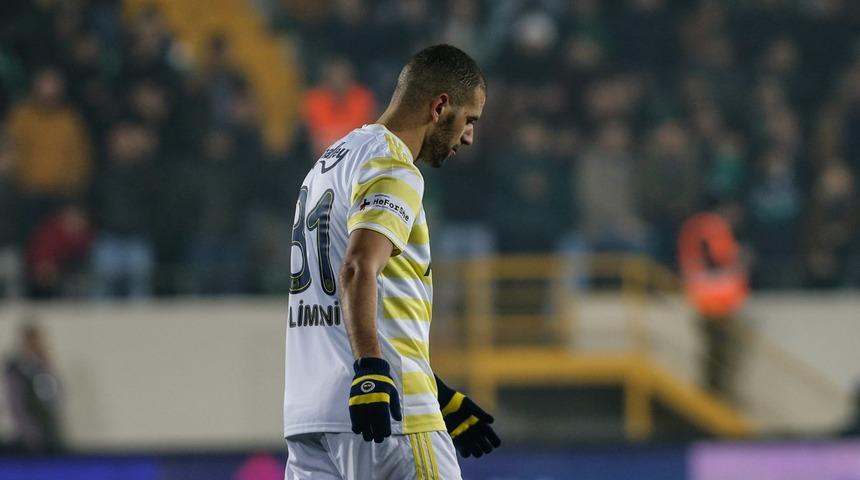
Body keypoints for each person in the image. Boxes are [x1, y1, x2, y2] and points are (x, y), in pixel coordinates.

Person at [283, 45, 500, 479]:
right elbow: (358, 267)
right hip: (386, 415)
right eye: (469, 120)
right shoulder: (395, 166)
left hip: (311, 418)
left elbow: (352, 296)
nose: (469, 137)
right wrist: (371, 370)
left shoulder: (329, 163)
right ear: (440, 106)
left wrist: (434, 390)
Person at [3, 323, 63, 453]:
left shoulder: (42, 366)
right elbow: (16, 404)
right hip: (29, 436)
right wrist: (30, 432)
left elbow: (55, 397)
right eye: (34, 341)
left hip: (48, 431)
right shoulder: (16, 368)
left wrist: (49, 368)